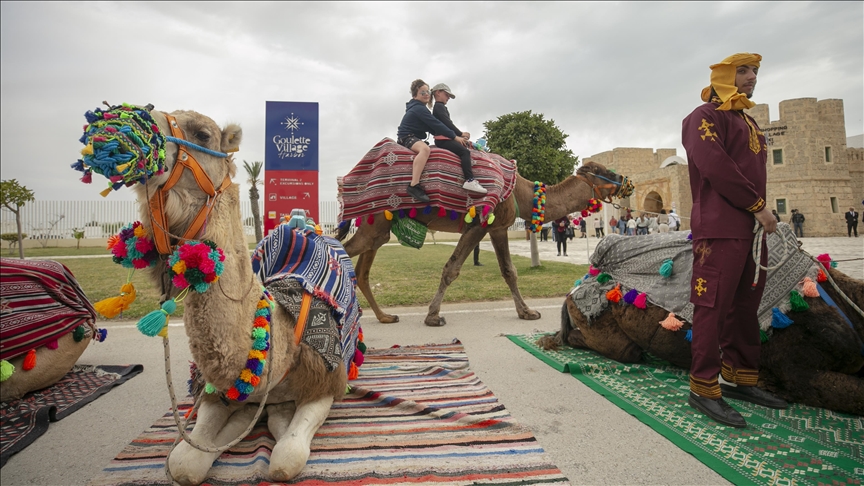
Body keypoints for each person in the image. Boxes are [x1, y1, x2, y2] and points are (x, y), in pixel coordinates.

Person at [682, 52, 786, 428]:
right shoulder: (703, 117)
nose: (752, 76)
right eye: (743, 70)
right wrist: (758, 205)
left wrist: (757, 214)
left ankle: (741, 377)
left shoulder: (748, 121)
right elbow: (716, 166)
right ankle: (704, 387)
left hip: (750, 230)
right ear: (724, 75)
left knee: (744, 305)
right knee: (711, 305)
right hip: (719, 228)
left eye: (755, 70)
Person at [396, 79, 464, 203]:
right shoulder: (419, 109)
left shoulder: (421, 109)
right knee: (425, 149)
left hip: (413, 137)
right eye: (423, 92)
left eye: (428, 91)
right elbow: (437, 125)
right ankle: (413, 185)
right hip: (407, 137)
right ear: (415, 95)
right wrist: (455, 137)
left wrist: (450, 137)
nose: (426, 94)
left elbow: (433, 129)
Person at [430, 83, 486, 195]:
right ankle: (469, 180)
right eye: (446, 95)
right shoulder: (439, 107)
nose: (448, 98)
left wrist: (459, 136)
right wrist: (460, 133)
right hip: (443, 140)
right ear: (438, 92)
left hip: (444, 138)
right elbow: (447, 123)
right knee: (464, 152)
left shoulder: (440, 107)